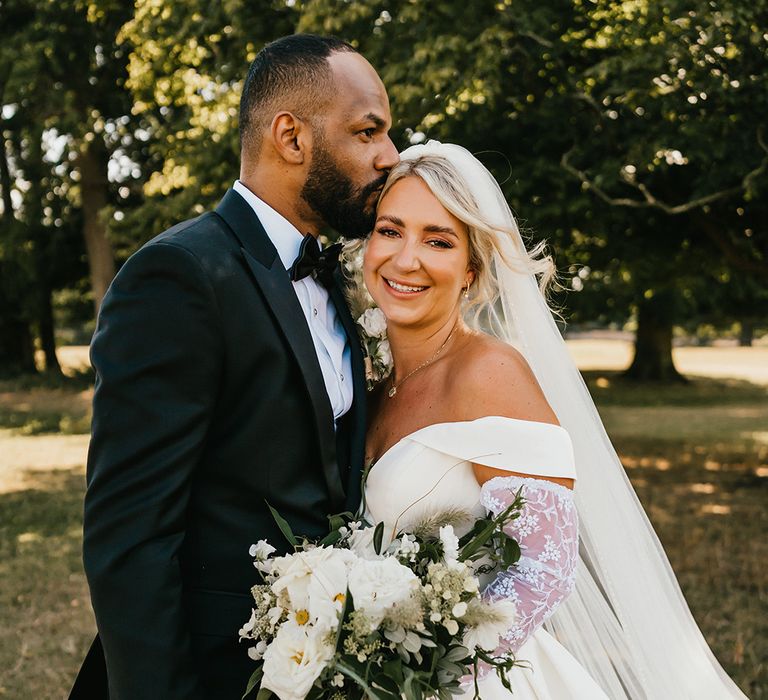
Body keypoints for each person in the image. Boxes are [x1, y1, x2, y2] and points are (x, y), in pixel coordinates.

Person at [69, 35, 398, 699]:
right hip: (210, 672)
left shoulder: (333, 277)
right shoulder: (180, 276)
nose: (389, 155)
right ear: (291, 136)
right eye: (368, 131)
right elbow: (129, 541)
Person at [360, 141, 747, 698]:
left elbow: (544, 564)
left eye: (438, 240)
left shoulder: (489, 373)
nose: (405, 258)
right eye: (390, 230)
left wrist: (430, 676)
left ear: (471, 269)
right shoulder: (371, 381)